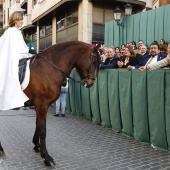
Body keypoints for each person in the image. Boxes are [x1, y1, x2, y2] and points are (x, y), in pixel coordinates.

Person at [0, 12, 36, 110]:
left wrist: (31, 53)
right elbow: (15, 48)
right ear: (16, 20)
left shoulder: (18, 32)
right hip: (14, 58)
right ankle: (13, 97)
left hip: (21, 56)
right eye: (21, 19)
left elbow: (22, 47)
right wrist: (28, 50)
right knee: (15, 72)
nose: (22, 21)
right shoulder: (11, 32)